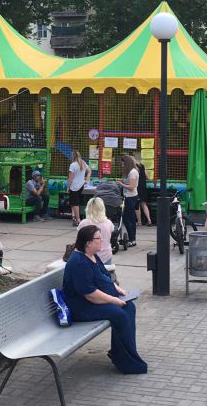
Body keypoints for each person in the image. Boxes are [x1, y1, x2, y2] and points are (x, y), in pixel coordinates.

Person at [63, 225, 147, 375]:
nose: (102, 240)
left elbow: (104, 276)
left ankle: (123, 354)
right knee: (119, 314)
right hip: (82, 307)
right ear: (88, 243)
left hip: (94, 301)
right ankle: (125, 361)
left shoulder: (92, 255)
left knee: (129, 307)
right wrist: (114, 300)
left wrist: (118, 289)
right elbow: (90, 294)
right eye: (98, 238)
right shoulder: (79, 262)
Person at [77, 197, 115, 264]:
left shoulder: (84, 223)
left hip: (88, 257)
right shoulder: (109, 223)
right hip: (106, 256)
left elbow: (79, 241)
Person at [116, 154, 139, 247]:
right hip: (130, 196)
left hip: (130, 197)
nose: (122, 165)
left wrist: (121, 184)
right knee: (131, 219)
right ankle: (132, 239)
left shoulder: (132, 172)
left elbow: (132, 187)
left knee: (127, 219)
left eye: (123, 163)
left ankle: (132, 239)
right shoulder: (132, 171)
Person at [68, 150, 91, 227]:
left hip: (74, 186)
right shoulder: (83, 163)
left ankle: (78, 220)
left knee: (75, 204)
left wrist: (68, 186)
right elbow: (89, 171)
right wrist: (87, 179)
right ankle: (74, 218)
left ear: (73, 156)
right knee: (74, 202)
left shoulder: (73, 165)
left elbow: (70, 178)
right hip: (81, 185)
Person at [133, 154, 152, 227]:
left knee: (137, 204)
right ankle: (149, 220)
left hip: (137, 187)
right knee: (144, 204)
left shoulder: (134, 167)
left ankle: (139, 222)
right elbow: (148, 177)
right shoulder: (143, 166)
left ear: (134, 159)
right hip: (143, 187)